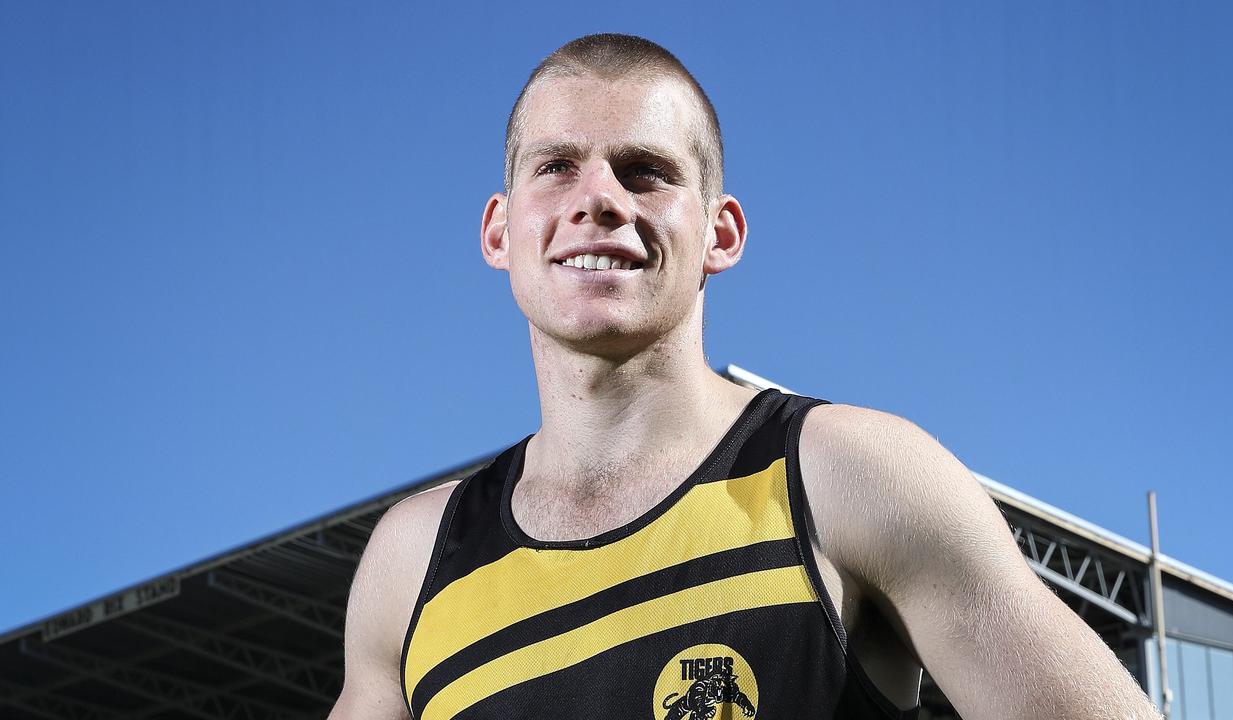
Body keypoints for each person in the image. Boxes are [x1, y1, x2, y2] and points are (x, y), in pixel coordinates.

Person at [330, 34, 1161, 720]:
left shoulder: (849, 474)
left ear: (720, 234)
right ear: (500, 230)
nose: (598, 199)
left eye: (645, 170)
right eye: (555, 167)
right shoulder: (415, 561)